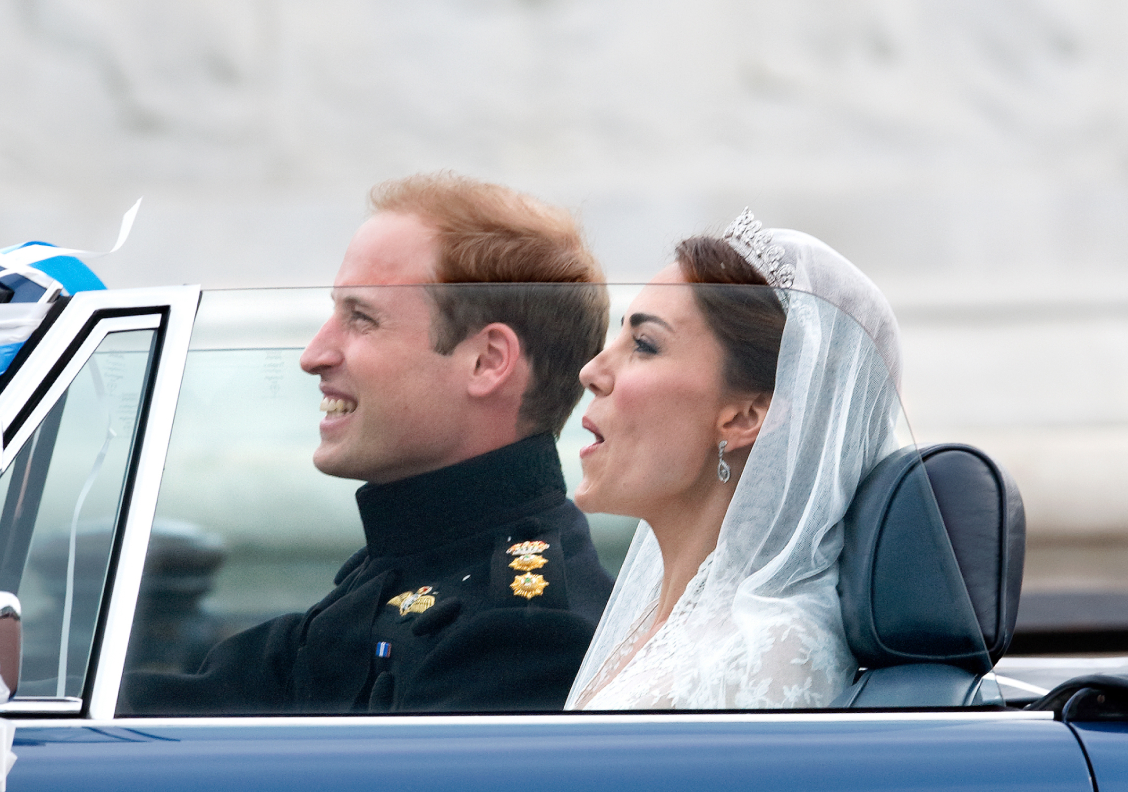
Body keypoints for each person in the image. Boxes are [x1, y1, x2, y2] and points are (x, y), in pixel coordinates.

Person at [122, 173, 614, 714]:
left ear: (487, 361)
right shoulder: (412, 559)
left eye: (361, 318)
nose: (314, 355)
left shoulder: (521, 635)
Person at [568, 210, 908, 710]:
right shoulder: (666, 617)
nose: (591, 372)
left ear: (746, 416)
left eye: (644, 345)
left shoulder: (765, 655)